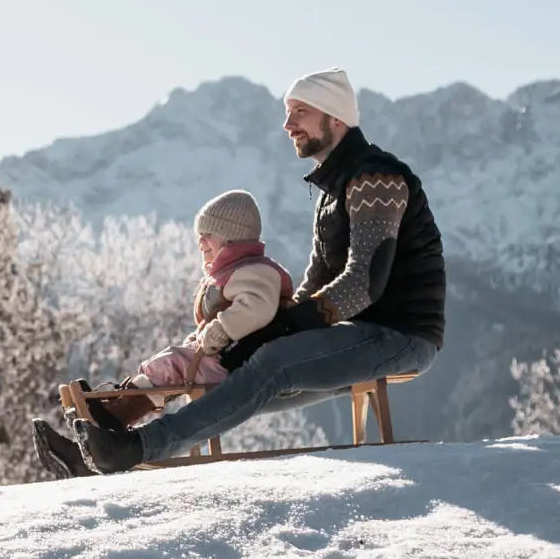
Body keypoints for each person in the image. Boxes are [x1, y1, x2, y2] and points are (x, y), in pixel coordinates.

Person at [74, 67, 446, 474]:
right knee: (238, 366)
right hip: (357, 336)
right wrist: (254, 330)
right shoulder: (332, 194)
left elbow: (363, 284)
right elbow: (315, 284)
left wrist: (279, 331)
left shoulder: (376, 178)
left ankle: (139, 447)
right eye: (287, 113)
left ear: (335, 118)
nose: (288, 124)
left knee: (273, 364)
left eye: (299, 112)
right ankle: (100, 440)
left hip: (402, 335)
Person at [32, 189, 293, 479]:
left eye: (209, 234)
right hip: (221, 357)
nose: (201, 242)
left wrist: (220, 330)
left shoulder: (256, 272)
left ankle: (115, 416)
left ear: (232, 237)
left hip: (236, 366)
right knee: (167, 362)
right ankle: (106, 421)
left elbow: (256, 309)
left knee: (170, 363)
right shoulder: (232, 274)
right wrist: (203, 338)